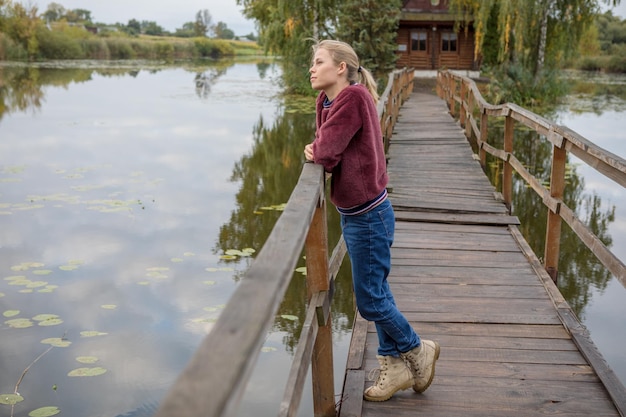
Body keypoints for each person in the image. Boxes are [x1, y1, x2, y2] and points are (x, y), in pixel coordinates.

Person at [303, 39, 440, 402]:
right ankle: (393, 365)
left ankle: (416, 349)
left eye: (318, 62)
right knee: (376, 292)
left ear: (341, 67)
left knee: (369, 302)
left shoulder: (354, 98)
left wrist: (317, 151)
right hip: (356, 215)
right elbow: (327, 150)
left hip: (369, 217)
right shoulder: (327, 101)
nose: (312, 69)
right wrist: (320, 150)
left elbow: (326, 150)